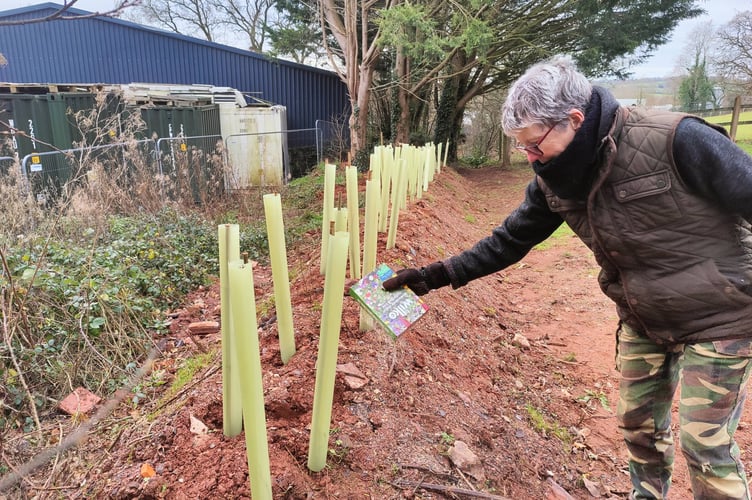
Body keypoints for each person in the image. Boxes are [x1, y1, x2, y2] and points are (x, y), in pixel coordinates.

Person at [382, 56, 752, 499]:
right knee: (638, 427)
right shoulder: (554, 180)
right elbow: (509, 241)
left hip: (721, 314)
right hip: (644, 316)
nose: (529, 157)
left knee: (704, 443)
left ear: (574, 120)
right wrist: (433, 275)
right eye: (522, 148)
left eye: (534, 145)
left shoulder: (677, 139)